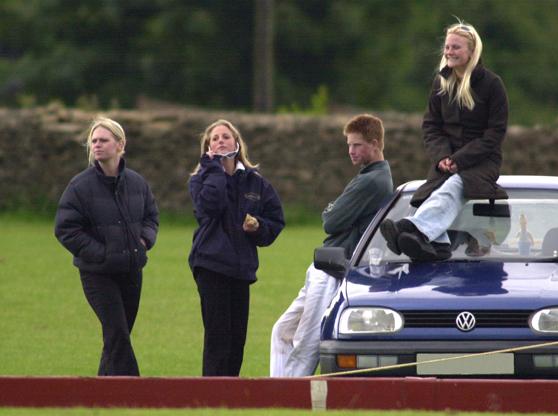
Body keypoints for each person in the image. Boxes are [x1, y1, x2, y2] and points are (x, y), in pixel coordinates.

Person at [270, 114, 394, 377]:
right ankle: (277, 390)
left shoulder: (371, 181)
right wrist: (335, 211)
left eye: (357, 145)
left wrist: (332, 210)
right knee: (282, 331)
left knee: (306, 343)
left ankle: (288, 397)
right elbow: (335, 216)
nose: (350, 151)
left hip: (332, 269)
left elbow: (330, 220)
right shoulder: (368, 176)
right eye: (349, 145)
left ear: (374, 144)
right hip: (323, 265)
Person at [381, 21, 509, 261]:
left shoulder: (493, 85)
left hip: (482, 162)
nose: (449, 51)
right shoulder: (440, 83)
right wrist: (442, 158)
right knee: (426, 196)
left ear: (472, 52)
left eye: (456, 47)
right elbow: (431, 126)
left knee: (452, 187)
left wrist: (459, 160)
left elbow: (495, 133)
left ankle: (412, 229)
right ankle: (437, 246)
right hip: (446, 161)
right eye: (447, 47)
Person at [55, 117, 159, 376]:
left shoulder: (137, 183)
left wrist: (144, 241)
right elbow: (66, 229)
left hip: (132, 272)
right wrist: (101, 254)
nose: (97, 145)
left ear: (120, 144)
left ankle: (101, 393)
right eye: (94, 141)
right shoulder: (79, 186)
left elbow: (151, 217)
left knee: (116, 339)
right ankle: (135, 391)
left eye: (103, 140)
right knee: (117, 334)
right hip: (97, 274)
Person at [188, 119, 284, 377]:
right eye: (214, 138)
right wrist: (215, 170)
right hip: (211, 265)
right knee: (218, 338)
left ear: (237, 143)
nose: (220, 141)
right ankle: (211, 394)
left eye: (225, 137)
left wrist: (259, 227)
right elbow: (210, 207)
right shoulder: (201, 180)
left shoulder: (256, 182)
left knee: (236, 341)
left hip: (241, 270)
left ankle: (230, 394)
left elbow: (276, 221)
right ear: (208, 147)